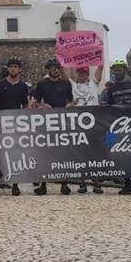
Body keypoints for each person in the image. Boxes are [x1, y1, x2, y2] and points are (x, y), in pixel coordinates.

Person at [104, 60, 131, 196]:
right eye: (114, 70)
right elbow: (110, 106)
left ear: (125, 70)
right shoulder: (111, 89)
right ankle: (127, 185)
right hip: (119, 125)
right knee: (123, 155)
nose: (117, 72)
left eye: (119, 69)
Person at [31, 58, 74, 195]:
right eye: (51, 68)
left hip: (62, 122)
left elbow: (72, 100)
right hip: (47, 122)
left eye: (56, 68)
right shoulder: (42, 84)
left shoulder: (66, 84)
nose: (54, 70)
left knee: (63, 153)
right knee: (47, 153)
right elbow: (35, 102)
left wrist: (70, 105)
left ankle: (64, 184)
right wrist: (42, 105)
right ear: (47, 70)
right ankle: (43, 185)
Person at [0, 56, 30, 196]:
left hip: (16, 123)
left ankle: (15, 184)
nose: (13, 69)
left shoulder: (23, 87)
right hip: (1, 123)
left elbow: (25, 105)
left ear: (20, 69)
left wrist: (28, 120)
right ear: (8, 68)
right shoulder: (0, 84)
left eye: (16, 67)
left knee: (15, 154)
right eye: (11, 66)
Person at [65, 64, 104, 194]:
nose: (81, 75)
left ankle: (97, 183)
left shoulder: (93, 84)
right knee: (81, 155)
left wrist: (99, 50)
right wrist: (60, 54)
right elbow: (62, 71)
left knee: (95, 154)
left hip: (94, 124)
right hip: (79, 125)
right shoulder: (72, 85)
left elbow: (100, 68)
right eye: (79, 73)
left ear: (88, 74)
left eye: (83, 73)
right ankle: (82, 183)